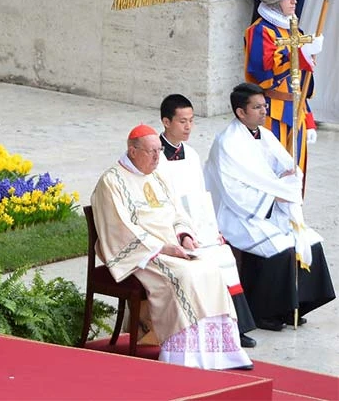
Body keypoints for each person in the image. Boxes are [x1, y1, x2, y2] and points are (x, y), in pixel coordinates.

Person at [91, 124, 252, 370]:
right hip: (144, 254)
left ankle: (219, 353)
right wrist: (164, 248)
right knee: (185, 276)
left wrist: (184, 235)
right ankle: (184, 355)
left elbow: (177, 213)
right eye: (151, 151)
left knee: (212, 269)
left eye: (159, 151)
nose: (157, 157)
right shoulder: (111, 182)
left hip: (175, 248)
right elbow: (119, 229)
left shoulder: (157, 177)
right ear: (133, 151)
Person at [204, 83, 335, 331]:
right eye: (257, 107)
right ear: (240, 113)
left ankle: (294, 306)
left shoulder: (264, 134)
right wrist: (274, 197)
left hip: (271, 208)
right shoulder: (228, 143)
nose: (264, 111)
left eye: (264, 106)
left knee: (309, 241)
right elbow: (234, 193)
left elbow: (286, 167)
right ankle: (264, 313)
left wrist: (288, 180)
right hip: (240, 214)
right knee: (282, 248)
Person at [155, 94, 258, 348]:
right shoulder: (154, 156)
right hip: (170, 229)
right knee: (209, 260)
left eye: (191, 121)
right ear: (166, 122)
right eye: (182, 121)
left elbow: (200, 195)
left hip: (197, 224)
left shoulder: (190, 154)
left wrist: (213, 229)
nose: (188, 127)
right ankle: (210, 325)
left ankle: (236, 326)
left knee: (225, 255)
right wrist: (182, 233)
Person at [245, 0, 324, 178]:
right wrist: (300, 53)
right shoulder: (260, 31)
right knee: (273, 175)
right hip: (269, 114)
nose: (294, 1)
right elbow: (263, 72)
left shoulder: (295, 31)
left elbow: (301, 81)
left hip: (296, 112)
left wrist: (308, 119)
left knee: (296, 175)